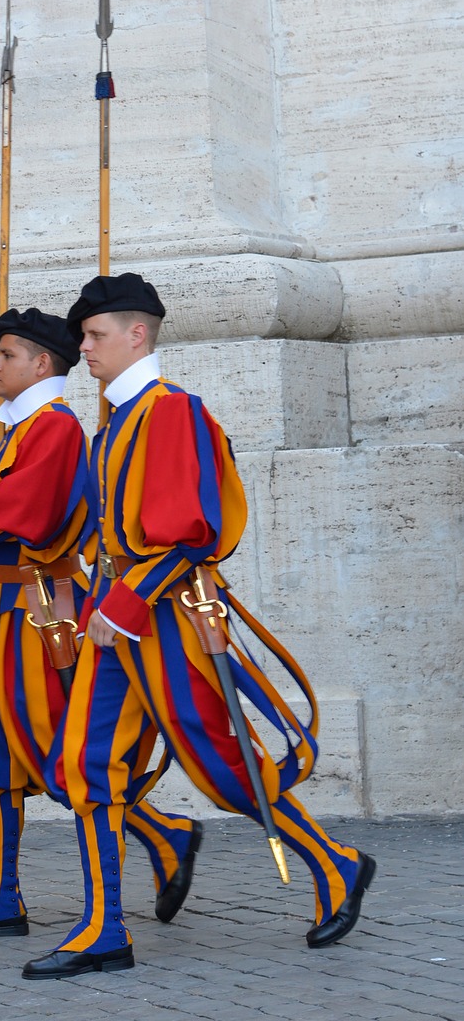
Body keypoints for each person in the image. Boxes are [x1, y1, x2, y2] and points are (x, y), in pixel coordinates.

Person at [23, 273, 376, 979]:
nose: (82, 349)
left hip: (166, 620)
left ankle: (335, 864)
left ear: (137, 334)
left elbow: (191, 531)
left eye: (94, 337)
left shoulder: (170, 411)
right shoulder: (116, 419)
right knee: (84, 766)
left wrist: (121, 606)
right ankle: (102, 928)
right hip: (117, 618)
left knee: (219, 765)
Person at [0, 307, 204, 944]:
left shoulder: (53, 426)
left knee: (57, 747)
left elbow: (23, 514)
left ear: (40, 364)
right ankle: (0, 895)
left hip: (39, 610)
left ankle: (161, 836)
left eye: (7, 355)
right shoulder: (29, 426)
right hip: (2, 611)